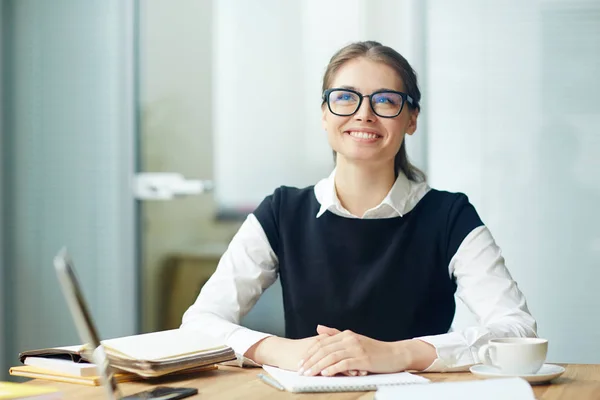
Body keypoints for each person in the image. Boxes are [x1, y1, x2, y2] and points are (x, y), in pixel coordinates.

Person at [181, 40, 536, 376]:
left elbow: (516, 329)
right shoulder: (281, 212)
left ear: (411, 119)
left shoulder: (449, 216)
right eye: (345, 97)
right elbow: (199, 324)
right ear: (324, 114)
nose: (363, 114)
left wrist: (395, 353)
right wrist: (283, 350)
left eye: (384, 100)